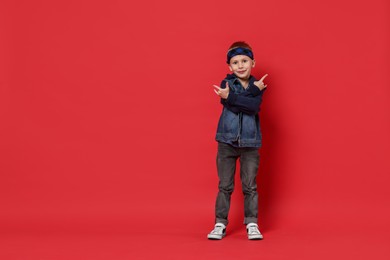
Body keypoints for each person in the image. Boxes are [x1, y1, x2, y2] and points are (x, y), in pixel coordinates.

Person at [207, 41, 268, 240]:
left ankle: (252, 223)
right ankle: (219, 223)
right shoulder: (226, 84)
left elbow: (253, 108)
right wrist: (251, 93)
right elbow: (234, 105)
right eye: (235, 62)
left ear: (253, 63)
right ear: (229, 67)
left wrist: (240, 97)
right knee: (225, 185)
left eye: (244, 61)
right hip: (227, 142)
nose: (240, 65)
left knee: (250, 185)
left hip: (250, 144)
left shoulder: (258, 84)